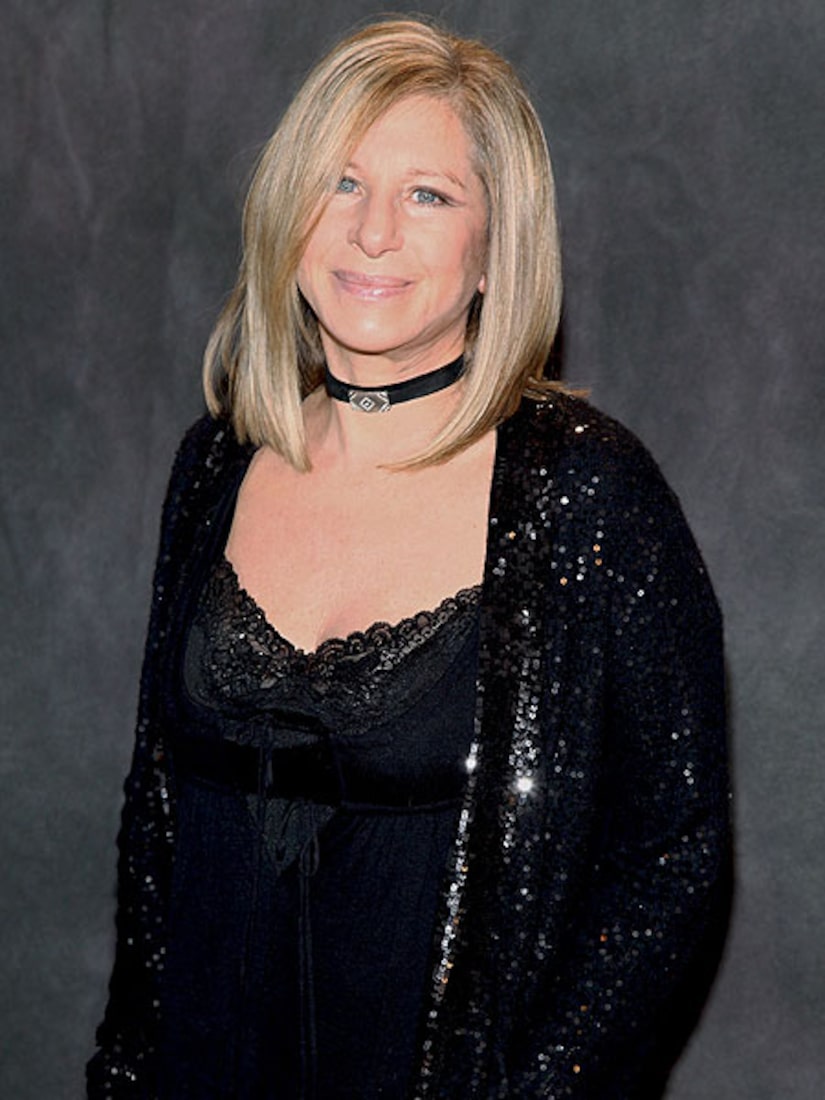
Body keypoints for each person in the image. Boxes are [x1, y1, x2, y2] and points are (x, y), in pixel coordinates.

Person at [87, 16, 730, 1100]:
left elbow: (672, 855)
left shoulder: (587, 494)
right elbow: (154, 827)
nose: (372, 231)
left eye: (427, 194)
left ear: (495, 249)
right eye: (339, 182)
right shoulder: (216, 465)